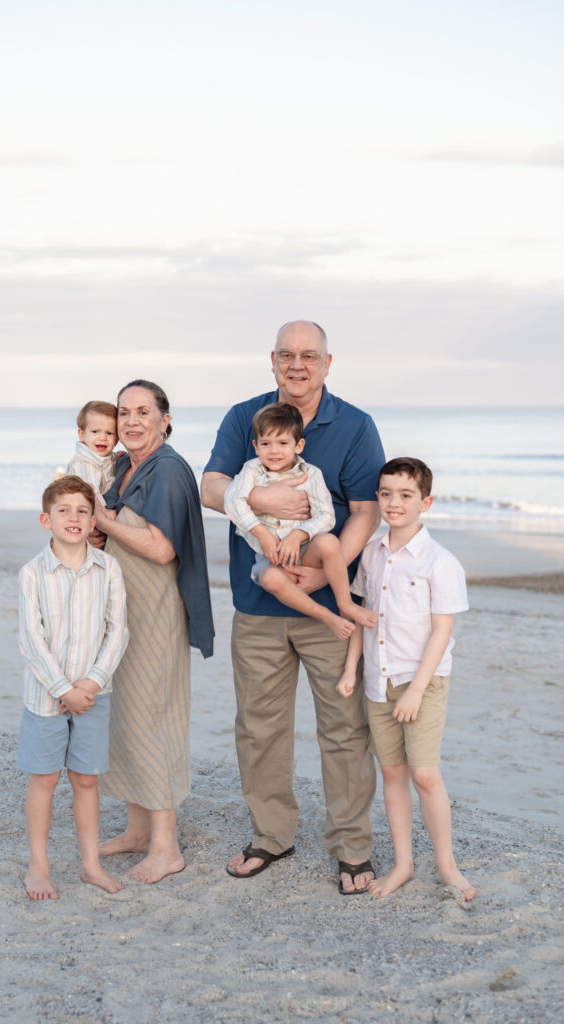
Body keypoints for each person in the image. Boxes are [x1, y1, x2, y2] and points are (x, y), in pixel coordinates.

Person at [201, 320, 384, 892]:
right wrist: (255, 496)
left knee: (345, 731)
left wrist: (313, 577)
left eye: (310, 355)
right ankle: (271, 836)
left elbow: (365, 509)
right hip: (257, 604)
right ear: (272, 361)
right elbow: (211, 487)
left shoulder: (354, 424)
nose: (297, 364)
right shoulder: (244, 417)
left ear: (328, 363)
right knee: (258, 728)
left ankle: (352, 847)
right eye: (287, 355)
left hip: (329, 603)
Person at [93, 380, 215, 884]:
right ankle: (138, 831)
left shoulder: (169, 470)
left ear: (165, 419)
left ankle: (166, 848)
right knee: (125, 718)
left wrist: (104, 519)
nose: (132, 421)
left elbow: (162, 549)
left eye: (144, 411)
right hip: (123, 612)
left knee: (154, 718)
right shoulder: (124, 465)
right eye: (124, 412)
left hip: (157, 611)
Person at [337, 457, 476, 901]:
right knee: (392, 772)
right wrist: (349, 668)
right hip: (378, 680)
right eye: (386, 494)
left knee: (426, 775)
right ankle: (403, 864)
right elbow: (362, 617)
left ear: (426, 502)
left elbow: (442, 632)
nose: (394, 503)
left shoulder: (440, 561)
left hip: (422, 683)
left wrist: (415, 690)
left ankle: (448, 867)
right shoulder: (372, 554)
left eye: (405, 495)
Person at [17, 476, 129, 900]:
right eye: (64, 510)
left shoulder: (108, 568)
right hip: (46, 695)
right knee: (44, 779)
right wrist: (63, 688)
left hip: (94, 694)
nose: (74, 518)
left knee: (85, 780)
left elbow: (117, 630)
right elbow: (31, 638)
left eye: (83, 510)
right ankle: (39, 867)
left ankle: (90, 865)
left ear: (93, 519)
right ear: (47, 519)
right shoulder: (32, 573)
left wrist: (93, 682)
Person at [224, 401, 377, 639]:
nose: (274, 451)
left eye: (283, 443)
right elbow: (232, 501)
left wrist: (299, 535)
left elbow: (326, 515)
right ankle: (327, 616)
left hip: (306, 551)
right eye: (266, 444)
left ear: (299, 445)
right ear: (255, 446)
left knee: (329, 543)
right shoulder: (251, 471)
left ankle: (345, 604)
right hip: (270, 556)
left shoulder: (311, 474)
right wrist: (262, 535)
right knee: (272, 580)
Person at [65, 401, 118, 506]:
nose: (103, 438)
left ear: (117, 440)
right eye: (95, 431)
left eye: (109, 433)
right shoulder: (85, 463)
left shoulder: (102, 458)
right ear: (82, 434)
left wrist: (116, 458)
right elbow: (93, 494)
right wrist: (104, 511)